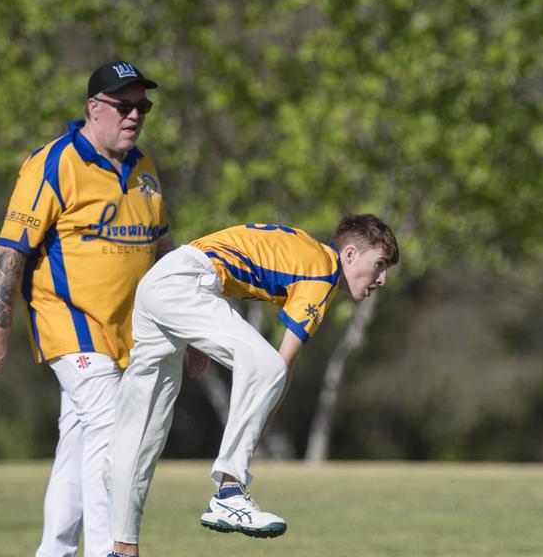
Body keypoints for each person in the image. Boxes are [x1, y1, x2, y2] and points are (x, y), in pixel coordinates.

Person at [0, 60, 175, 557]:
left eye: (142, 107)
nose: (134, 116)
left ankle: (54, 551)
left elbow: (163, 246)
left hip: (126, 331)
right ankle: (109, 550)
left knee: (79, 441)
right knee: (112, 429)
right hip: (69, 323)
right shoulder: (53, 163)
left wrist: (184, 324)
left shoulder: (144, 168)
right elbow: (11, 250)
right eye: (124, 106)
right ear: (94, 108)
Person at [105, 214, 399, 556]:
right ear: (349, 254)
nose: (382, 279)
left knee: (142, 429)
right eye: (379, 265)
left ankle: (122, 549)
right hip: (187, 283)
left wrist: (200, 337)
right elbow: (281, 366)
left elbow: (231, 259)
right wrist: (256, 426)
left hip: (164, 280)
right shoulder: (324, 270)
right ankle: (229, 493)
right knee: (266, 364)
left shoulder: (307, 251)